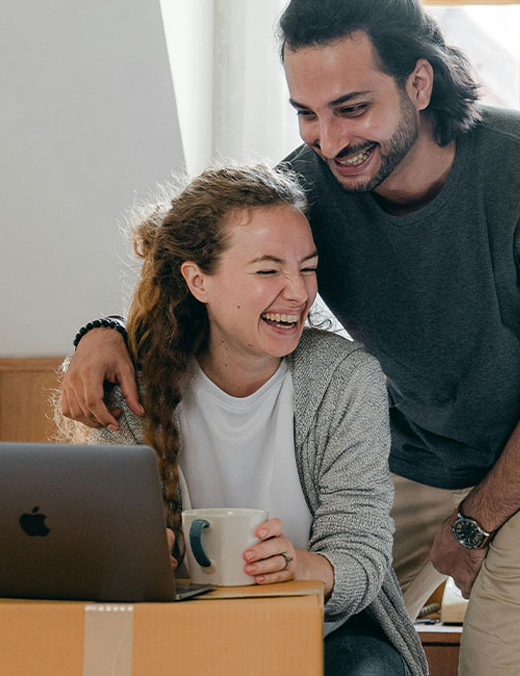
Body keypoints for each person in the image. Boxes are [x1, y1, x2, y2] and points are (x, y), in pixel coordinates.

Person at [63, 0, 520, 675]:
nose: (329, 140)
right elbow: (201, 267)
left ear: (418, 84)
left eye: (352, 109)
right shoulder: (314, 184)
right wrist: (105, 333)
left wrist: (475, 522)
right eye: (306, 113)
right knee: (323, 619)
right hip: (420, 447)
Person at [59, 163, 425, 676]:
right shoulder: (128, 385)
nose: (298, 293)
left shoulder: (346, 380)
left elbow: (361, 553)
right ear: (198, 281)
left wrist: (301, 567)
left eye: (307, 267)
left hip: (324, 636)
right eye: (268, 270)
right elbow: (103, 550)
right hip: (178, 636)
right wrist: (132, 561)